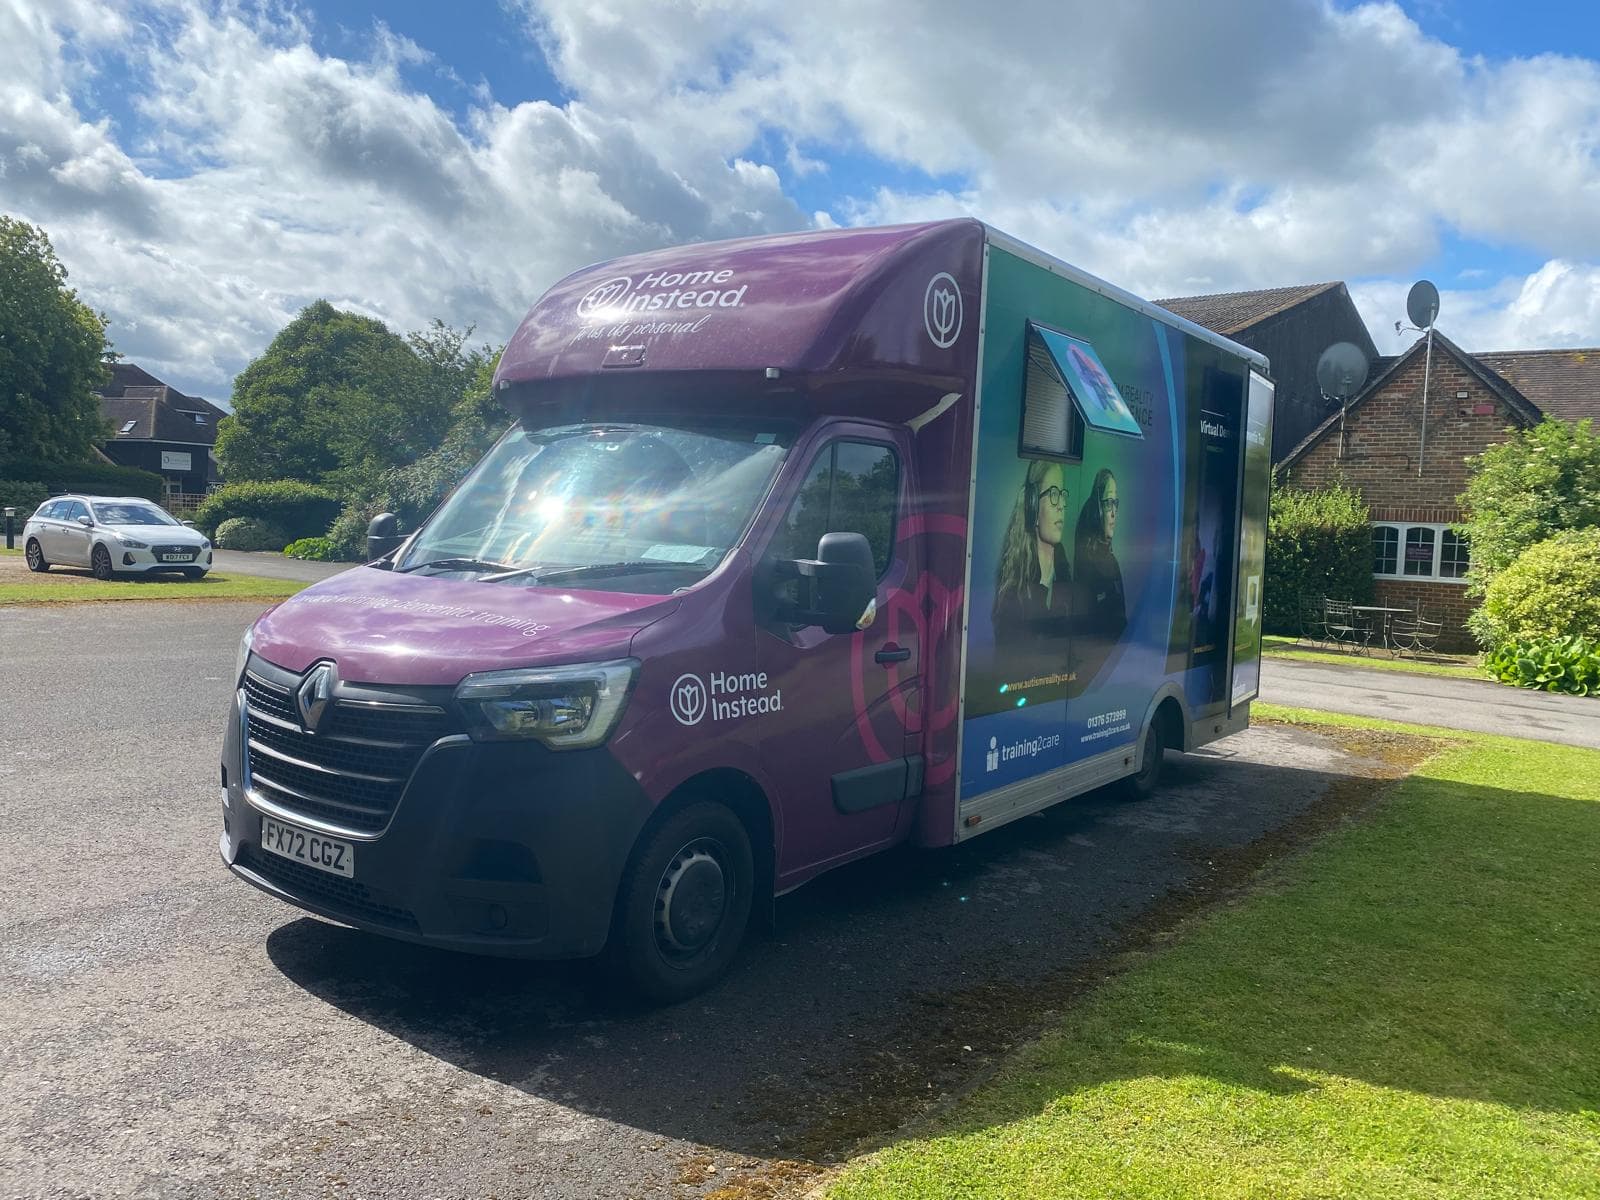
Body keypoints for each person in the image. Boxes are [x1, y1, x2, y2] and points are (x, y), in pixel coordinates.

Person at [991, 460, 1073, 667]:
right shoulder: (1014, 589)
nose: (1061, 505)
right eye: (1053, 494)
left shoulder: (1064, 569)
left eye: (1062, 494)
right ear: (1033, 505)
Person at [1072, 468, 1127, 687]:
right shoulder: (1089, 562)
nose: (1113, 513)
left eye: (1116, 503)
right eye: (1108, 503)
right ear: (1097, 509)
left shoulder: (1111, 561)